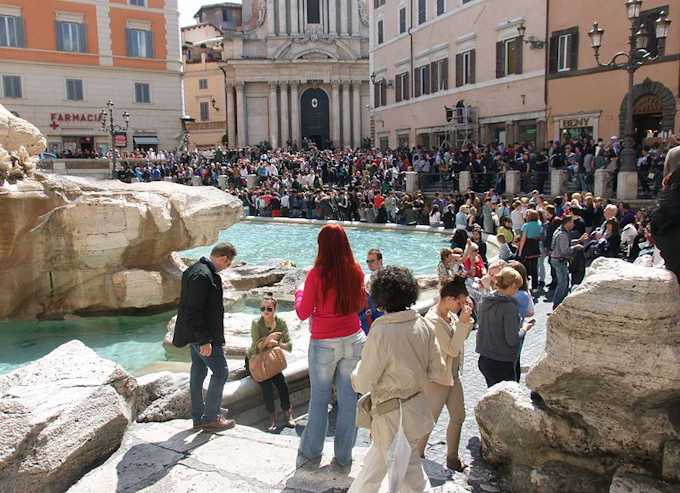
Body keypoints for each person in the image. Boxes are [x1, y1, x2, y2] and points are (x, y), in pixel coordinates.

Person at [349, 266, 446, 493]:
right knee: (376, 467)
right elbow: (437, 370)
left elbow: (364, 381)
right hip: (416, 408)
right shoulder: (423, 324)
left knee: (411, 479)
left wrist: (353, 376)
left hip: (392, 416)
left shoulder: (381, 332)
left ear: (380, 298)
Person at [295, 224, 366, 467]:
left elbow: (303, 313)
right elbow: (360, 303)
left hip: (324, 342)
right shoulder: (356, 270)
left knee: (320, 398)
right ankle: (345, 455)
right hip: (354, 338)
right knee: (349, 399)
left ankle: (312, 450)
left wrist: (299, 294)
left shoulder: (316, 274)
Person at [173, 242, 237, 431]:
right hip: (204, 336)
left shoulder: (194, 270)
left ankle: (199, 417)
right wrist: (204, 340)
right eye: (228, 264)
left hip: (193, 334)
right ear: (224, 258)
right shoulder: (203, 275)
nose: (226, 268)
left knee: (199, 371)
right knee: (221, 371)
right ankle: (211, 417)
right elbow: (195, 311)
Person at [417, 277, 474, 472]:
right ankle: (417, 456)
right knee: (428, 420)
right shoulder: (432, 321)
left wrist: (466, 320)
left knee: (459, 416)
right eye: (459, 302)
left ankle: (452, 458)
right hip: (437, 379)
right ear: (449, 298)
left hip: (453, 375)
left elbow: (462, 336)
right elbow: (451, 349)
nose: (460, 306)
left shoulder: (451, 316)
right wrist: (463, 324)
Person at [476, 267, 535, 387]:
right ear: (513, 285)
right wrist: (524, 328)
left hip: (485, 359)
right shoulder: (509, 307)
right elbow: (512, 339)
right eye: (517, 288)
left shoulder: (485, 300)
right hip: (502, 362)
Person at [245, 293, 295, 432]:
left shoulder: (281, 323)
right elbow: (256, 347)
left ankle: (287, 413)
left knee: (282, 385)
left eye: (269, 309)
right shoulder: (256, 323)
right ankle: (271, 417)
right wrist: (268, 340)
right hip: (255, 360)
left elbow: (289, 346)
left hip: (271, 360)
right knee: (266, 386)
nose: (265, 312)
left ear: (275, 309)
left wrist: (277, 343)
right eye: (263, 309)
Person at [550, 215, 585, 309]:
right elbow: (565, 250)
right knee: (562, 283)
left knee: (565, 282)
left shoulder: (560, 231)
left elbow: (566, 243)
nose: (573, 224)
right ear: (568, 223)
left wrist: (579, 240)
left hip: (557, 259)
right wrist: (575, 247)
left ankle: (562, 302)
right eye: (572, 222)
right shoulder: (563, 235)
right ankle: (557, 305)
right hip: (559, 260)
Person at [359, 248, 384, 334]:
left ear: (380, 261)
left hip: (378, 313)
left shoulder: (384, 277)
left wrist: (372, 311)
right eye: (367, 261)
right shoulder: (369, 277)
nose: (369, 264)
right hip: (370, 311)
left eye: (372, 261)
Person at [518, 209, 542, 293]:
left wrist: (520, 250)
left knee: (525, 267)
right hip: (535, 246)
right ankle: (535, 286)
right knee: (534, 267)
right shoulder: (539, 223)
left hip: (527, 247)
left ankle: (524, 285)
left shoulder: (526, 225)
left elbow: (523, 239)